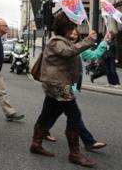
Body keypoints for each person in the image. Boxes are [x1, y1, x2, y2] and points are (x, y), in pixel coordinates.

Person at [29, 12, 97, 167]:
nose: (74, 30)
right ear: (64, 27)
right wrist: (87, 40)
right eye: (72, 27)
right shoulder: (56, 41)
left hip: (55, 84)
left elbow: (72, 50)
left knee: (47, 114)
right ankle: (74, 154)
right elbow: (68, 53)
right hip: (58, 85)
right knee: (74, 115)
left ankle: (36, 144)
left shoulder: (63, 41)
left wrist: (85, 41)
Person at [44, 28, 107, 151]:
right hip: (61, 84)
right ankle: (88, 141)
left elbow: (95, 55)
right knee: (73, 113)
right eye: (71, 32)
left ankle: (43, 131)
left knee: (56, 110)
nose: (73, 35)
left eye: (75, 33)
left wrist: (104, 42)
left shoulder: (79, 48)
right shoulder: (63, 47)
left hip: (71, 84)